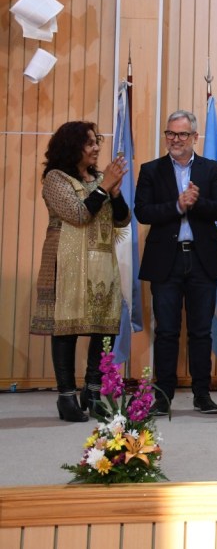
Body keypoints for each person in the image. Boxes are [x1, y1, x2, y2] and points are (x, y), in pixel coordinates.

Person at [31, 121, 129, 422]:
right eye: (89, 142)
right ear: (72, 146)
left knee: (103, 330)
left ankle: (93, 390)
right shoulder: (55, 178)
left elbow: (122, 221)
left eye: (96, 141)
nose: (97, 147)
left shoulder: (100, 177)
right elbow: (77, 214)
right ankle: (66, 396)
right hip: (67, 262)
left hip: (101, 263)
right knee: (67, 328)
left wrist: (113, 191)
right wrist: (103, 186)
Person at [136, 110, 217, 416]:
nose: (175, 140)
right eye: (170, 134)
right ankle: (163, 397)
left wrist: (196, 202)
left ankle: (201, 394)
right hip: (166, 259)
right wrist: (177, 205)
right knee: (166, 331)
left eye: (182, 135)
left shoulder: (211, 168)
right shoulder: (151, 170)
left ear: (195, 137)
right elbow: (143, 212)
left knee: (202, 331)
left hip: (202, 259)